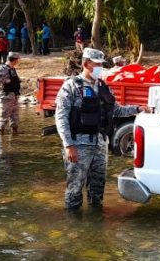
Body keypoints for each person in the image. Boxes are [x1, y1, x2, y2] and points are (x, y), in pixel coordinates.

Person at [55, 48, 150, 210]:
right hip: (78, 145)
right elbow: (61, 117)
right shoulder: (71, 86)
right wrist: (68, 145)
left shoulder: (103, 86)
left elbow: (116, 110)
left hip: (100, 144)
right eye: (98, 64)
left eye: (101, 64)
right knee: (75, 187)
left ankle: (95, 223)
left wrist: (138, 109)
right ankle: (73, 225)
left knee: (98, 187)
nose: (101, 68)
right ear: (86, 64)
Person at [0, 52, 21, 134]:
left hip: (14, 95)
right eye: (17, 60)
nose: (18, 61)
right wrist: (6, 81)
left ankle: (14, 132)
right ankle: (0, 134)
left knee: (14, 116)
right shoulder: (4, 68)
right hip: (6, 96)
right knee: (4, 116)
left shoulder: (12, 69)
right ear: (14, 60)